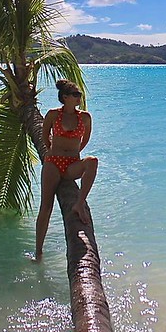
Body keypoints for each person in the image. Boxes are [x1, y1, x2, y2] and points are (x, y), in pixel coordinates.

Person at [35, 79, 98, 260]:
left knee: (92, 162)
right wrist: (53, 151)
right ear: (65, 97)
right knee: (46, 206)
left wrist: (74, 152)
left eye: (79, 94)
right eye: (75, 94)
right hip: (53, 163)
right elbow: (45, 135)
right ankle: (38, 252)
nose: (79, 97)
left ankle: (79, 203)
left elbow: (85, 140)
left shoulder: (85, 117)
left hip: (72, 164)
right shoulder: (53, 115)